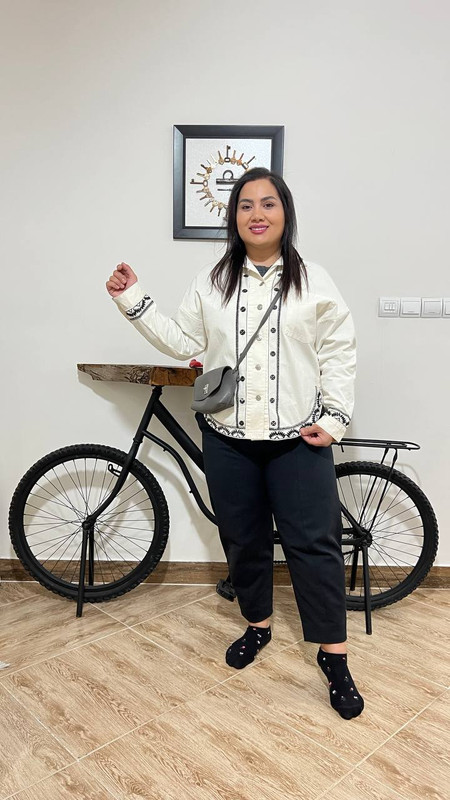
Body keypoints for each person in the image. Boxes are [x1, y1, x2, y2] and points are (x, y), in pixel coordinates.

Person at [106, 167, 364, 720]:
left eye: (269, 203)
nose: (257, 214)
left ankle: (334, 657)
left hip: (299, 440)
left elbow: (339, 351)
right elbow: (183, 339)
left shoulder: (315, 281)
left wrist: (335, 418)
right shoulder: (212, 280)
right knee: (243, 540)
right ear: (234, 217)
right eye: (246, 205)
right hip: (228, 440)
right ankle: (258, 625)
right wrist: (133, 299)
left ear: (285, 213)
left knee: (314, 547)